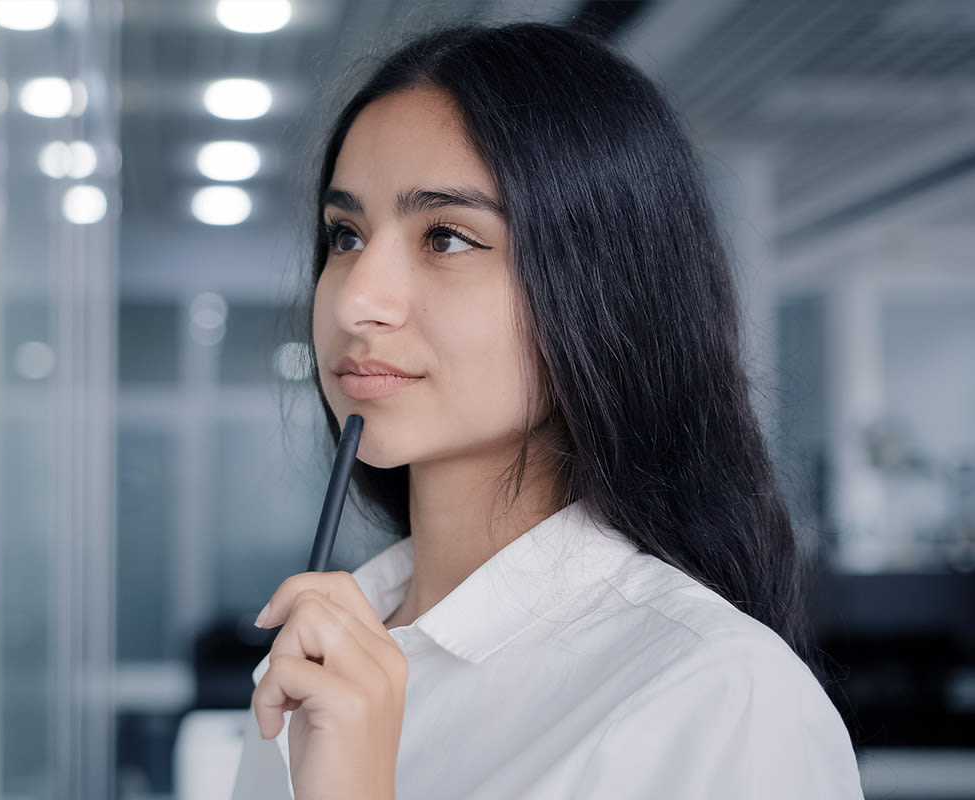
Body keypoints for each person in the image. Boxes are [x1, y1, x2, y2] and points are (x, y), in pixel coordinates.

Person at [230, 22, 865, 800]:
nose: (358, 299)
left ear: (601, 288)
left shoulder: (718, 696)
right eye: (345, 235)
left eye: (448, 238)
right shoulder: (309, 660)